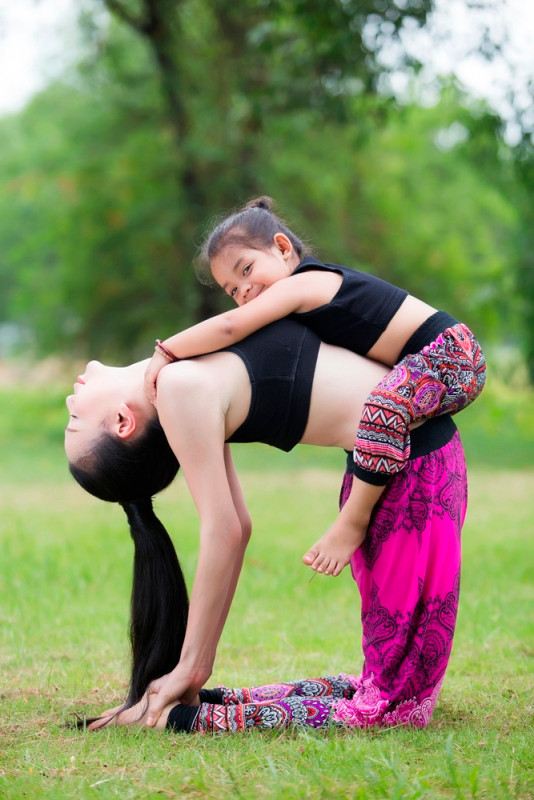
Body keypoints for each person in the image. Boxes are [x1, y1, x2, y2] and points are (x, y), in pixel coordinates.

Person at [65, 317, 467, 732]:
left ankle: (184, 711)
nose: (69, 403)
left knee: (393, 703)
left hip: (405, 474)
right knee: (390, 703)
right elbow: (230, 528)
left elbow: (231, 529)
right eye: (74, 420)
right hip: (402, 477)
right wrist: (193, 667)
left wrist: (193, 666)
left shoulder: (180, 373)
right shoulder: (180, 385)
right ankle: (186, 712)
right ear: (122, 422)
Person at [144, 196, 485, 578]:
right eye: (232, 290)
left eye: (247, 270)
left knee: (383, 406)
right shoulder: (298, 296)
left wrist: (166, 351)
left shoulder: (305, 284)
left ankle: (352, 523)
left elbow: (230, 327)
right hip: (434, 361)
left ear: (282, 247)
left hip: (454, 355)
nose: (244, 291)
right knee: (377, 406)